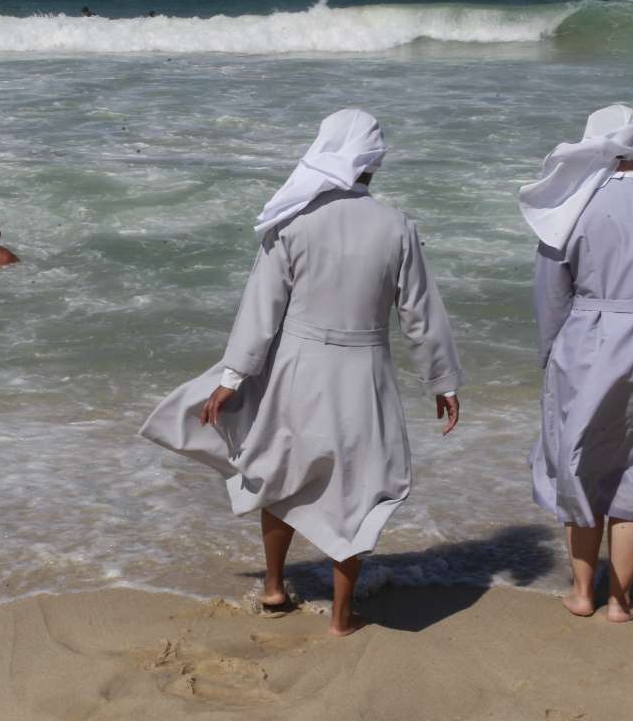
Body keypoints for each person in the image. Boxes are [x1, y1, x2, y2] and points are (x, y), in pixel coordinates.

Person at [139, 109, 464, 637]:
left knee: (281, 475)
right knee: (358, 489)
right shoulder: (397, 227)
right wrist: (441, 381)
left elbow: (260, 311)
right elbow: (420, 316)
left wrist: (232, 377)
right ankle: (341, 616)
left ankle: (274, 586)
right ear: (374, 162)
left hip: (298, 366)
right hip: (365, 371)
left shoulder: (292, 220)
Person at [519, 105, 633, 623]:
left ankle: (583, 593)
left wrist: (550, 357)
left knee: (580, 468)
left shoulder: (572, 207)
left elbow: (551, 295)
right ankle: (620, 602)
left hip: (587, 344)